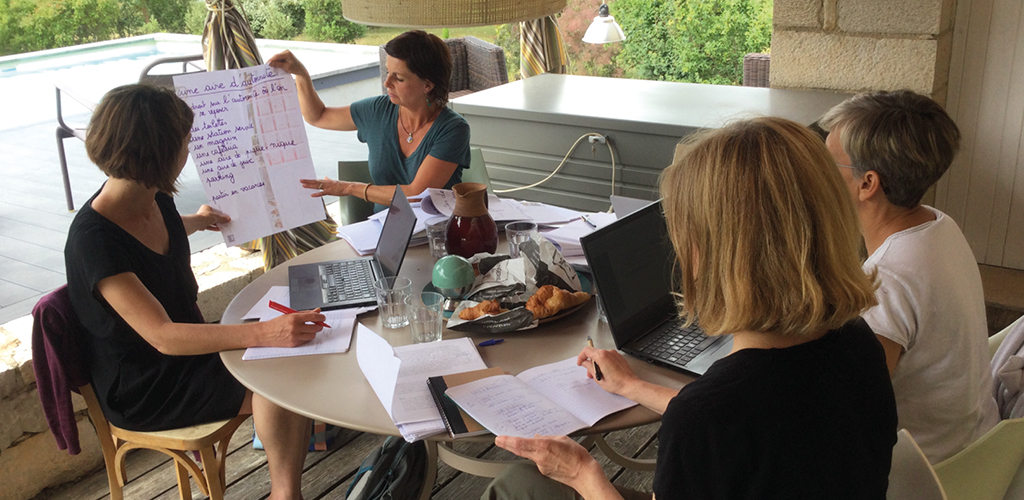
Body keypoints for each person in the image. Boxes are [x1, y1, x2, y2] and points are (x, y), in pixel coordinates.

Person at [483, 117, 897, 499]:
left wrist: (583, 474)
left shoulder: (707, 417)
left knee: (515, 486)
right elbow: (760, 425)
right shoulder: (858, 343)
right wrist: (632, 386)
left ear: (714, 254)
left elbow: (723, 421)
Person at [64, 84, 324, 500]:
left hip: (187, 351)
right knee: (274, 374)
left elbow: (150, 235)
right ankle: (285, 494)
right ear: (159, 153)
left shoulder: (152, 196)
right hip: (148, 383)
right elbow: (163, 336)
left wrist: (197, 221)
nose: (190, 149)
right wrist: (265, 333)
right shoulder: (93, 241)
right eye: (186, 141)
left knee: (283, 358)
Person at [820, 90, 1000, 464]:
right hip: (978, 445)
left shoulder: (886, 279)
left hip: (928, 472)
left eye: (826, 161)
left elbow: (848, 412)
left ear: (867, 183)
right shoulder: (938, 224)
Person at [268, 30, 471, 208]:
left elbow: (416, 195)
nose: (387, 82)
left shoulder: (453, 129)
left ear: (427, 85)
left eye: (399, 78)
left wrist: (348, 187)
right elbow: (318, 116)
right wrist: (301, 75)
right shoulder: (378, 110)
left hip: (435, 231)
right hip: (382, 228)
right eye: (388, 72)